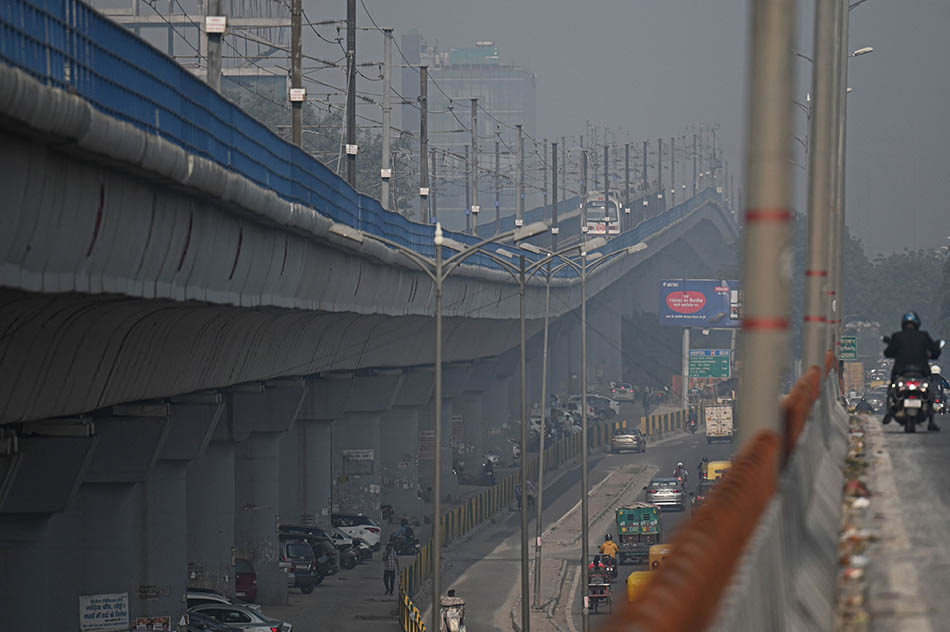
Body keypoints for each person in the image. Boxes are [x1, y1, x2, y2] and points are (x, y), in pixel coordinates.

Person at [883, 312, 942, 428]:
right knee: (929, 391)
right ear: (917, 324)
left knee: (891, 389)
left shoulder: (897, 336)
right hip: (921, 372)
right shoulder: (924, 336)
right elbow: (935, 352)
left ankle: (889, 412)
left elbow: (887, 352)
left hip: (902, 372)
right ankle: (931, 421)